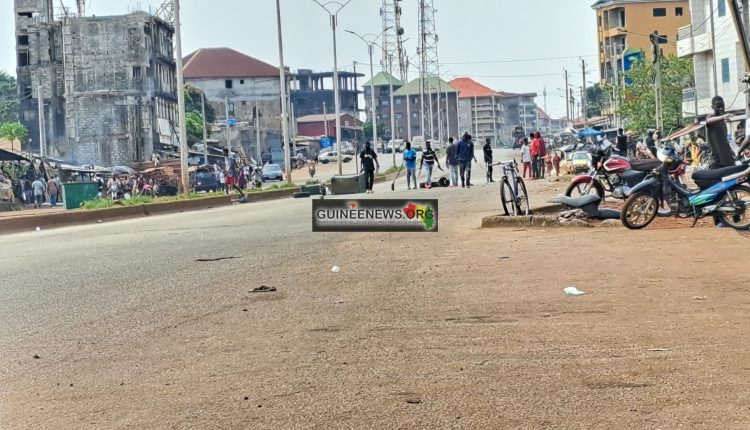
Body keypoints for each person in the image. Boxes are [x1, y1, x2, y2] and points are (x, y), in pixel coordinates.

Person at [705, 96, 736, 169]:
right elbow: (708, 121)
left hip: (728, 159)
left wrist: (732, 151)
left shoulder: (723, 123)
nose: (721, 108)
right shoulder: (711, 117)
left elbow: (725, 140)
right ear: (712, 107)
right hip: (717, 161)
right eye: (718, 107)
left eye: (722, 106)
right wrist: (723, 117)